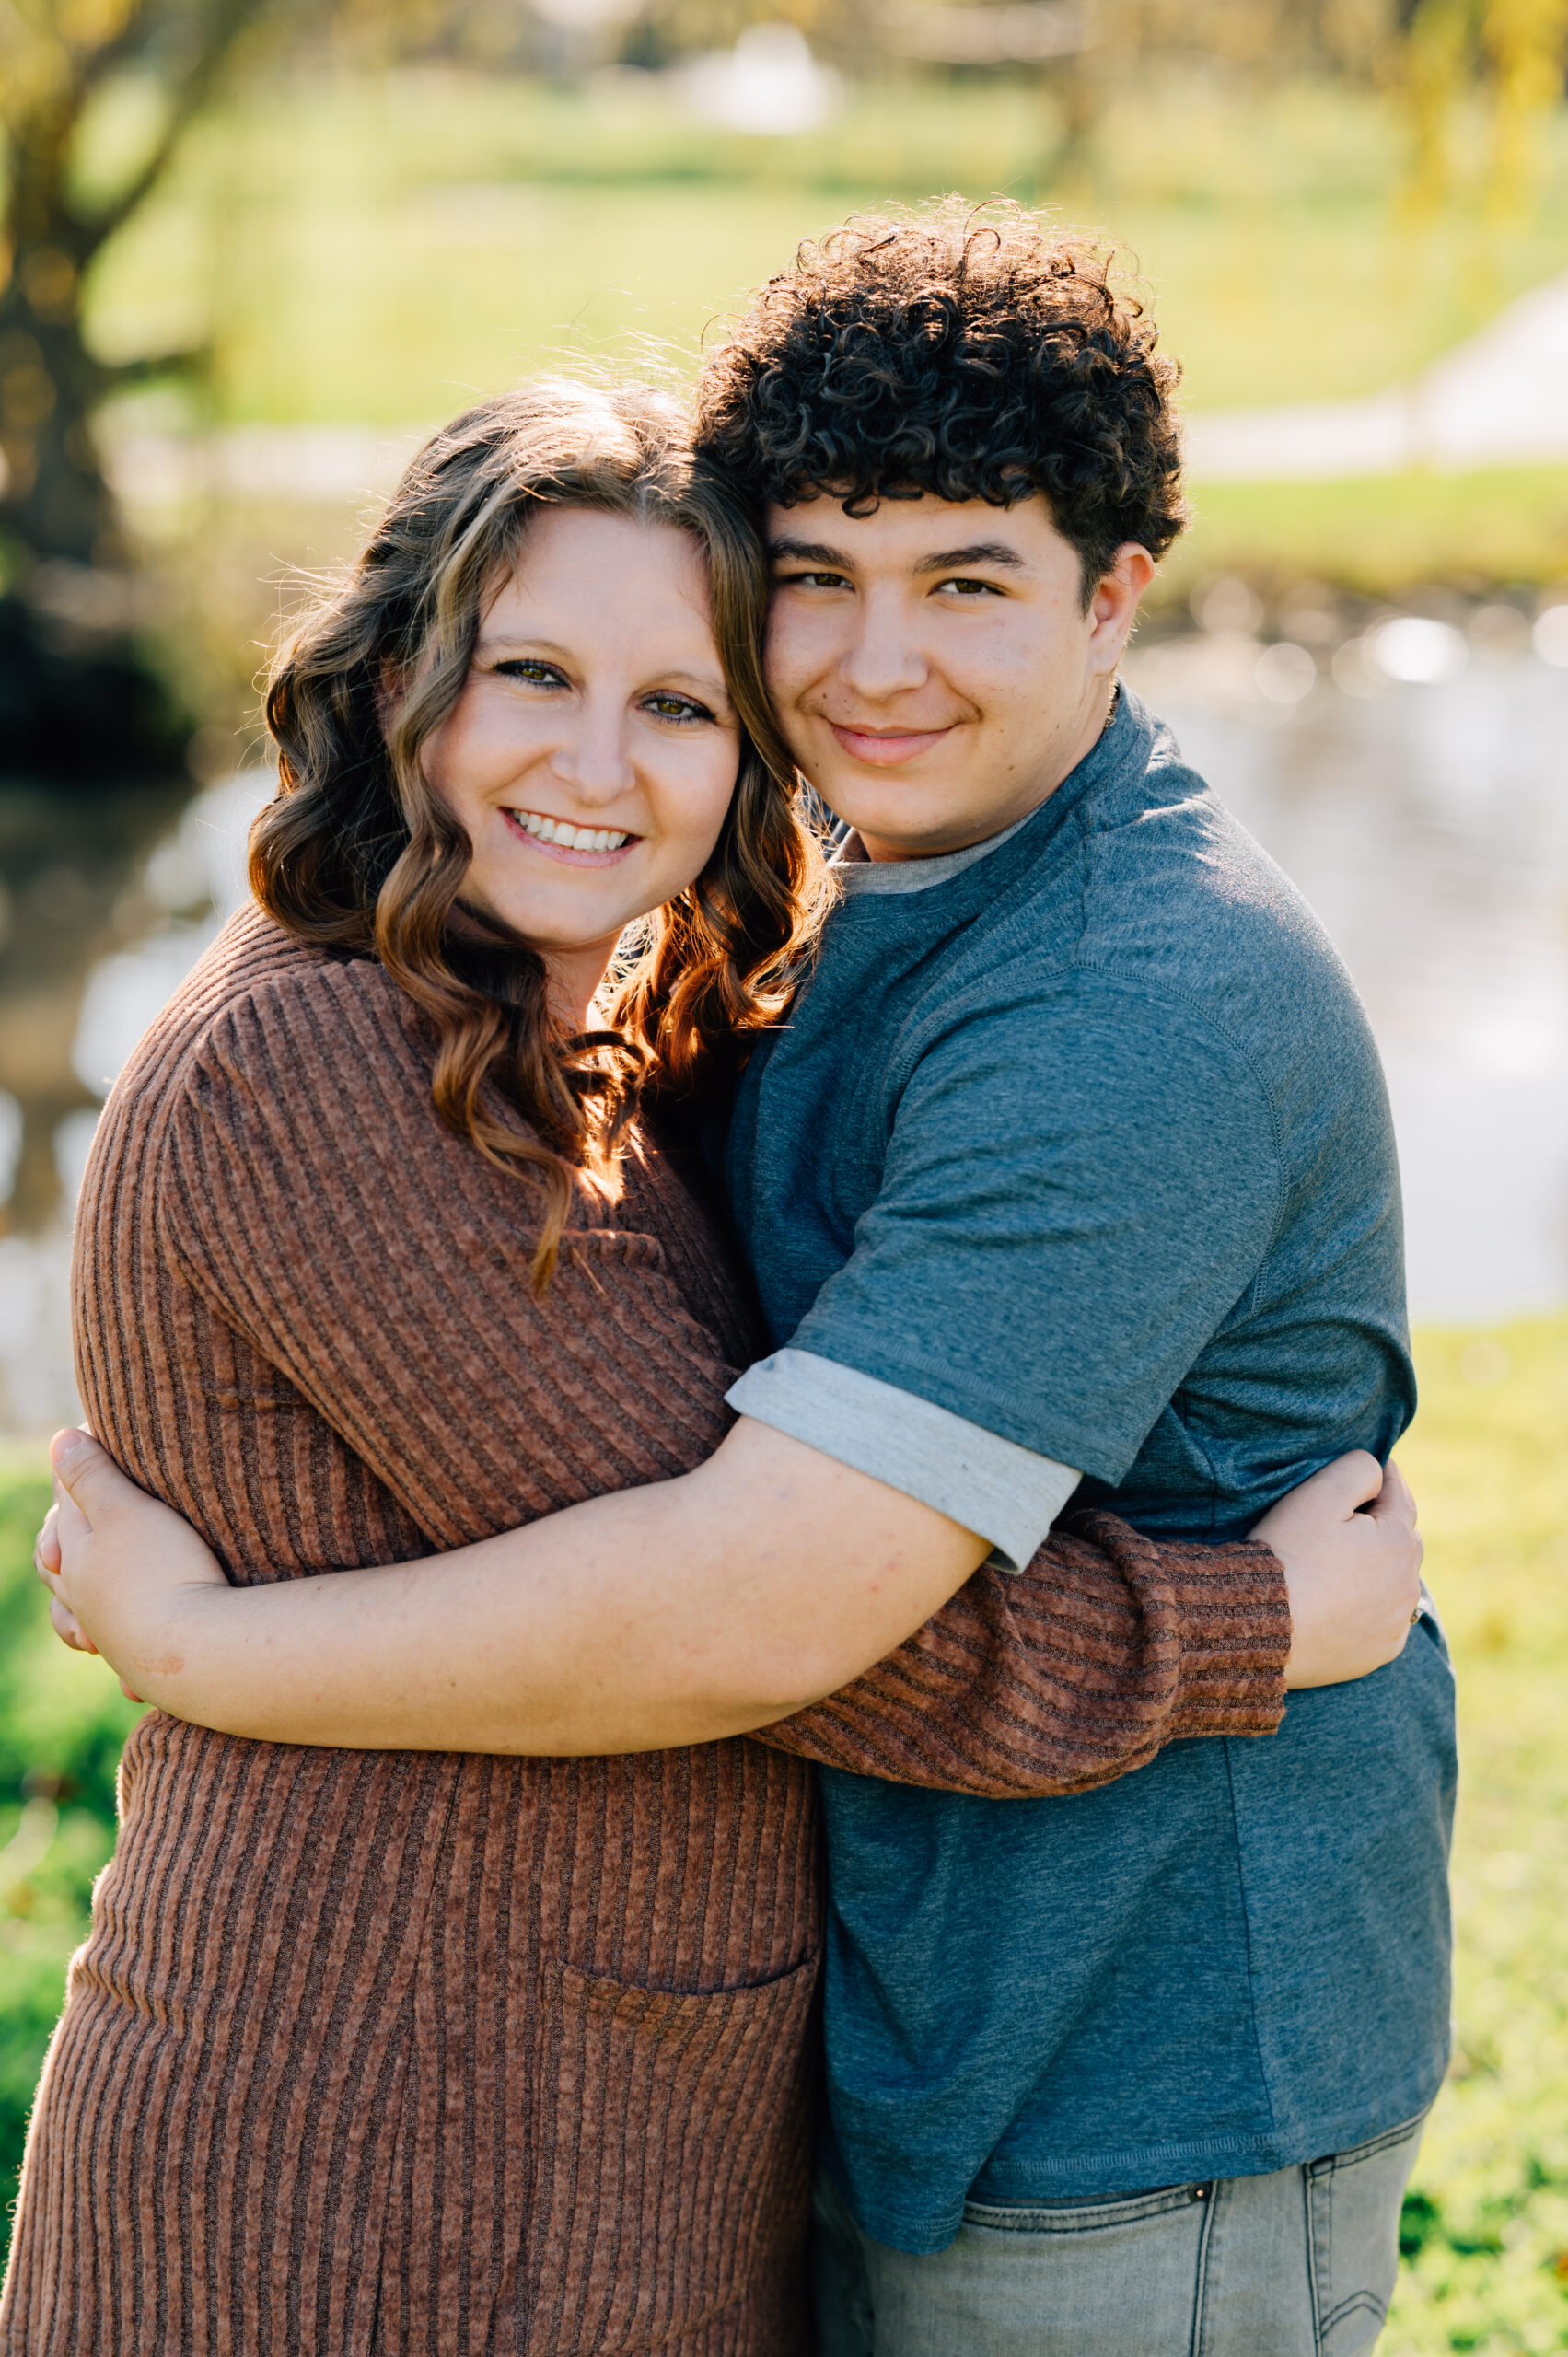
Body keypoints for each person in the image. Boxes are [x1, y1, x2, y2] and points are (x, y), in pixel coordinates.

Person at [27, 208, 1438, 2351]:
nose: (875, 668)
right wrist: (1253, 1617)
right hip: (389, 2150)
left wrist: (225, 1649)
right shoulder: (350, 1060)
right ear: (403, 673)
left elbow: (751, 1599)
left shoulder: (1117, 1001)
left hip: (1122, 2087)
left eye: (965, 580)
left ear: (1115, 594)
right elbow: (749, 1608)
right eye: (816, 585)